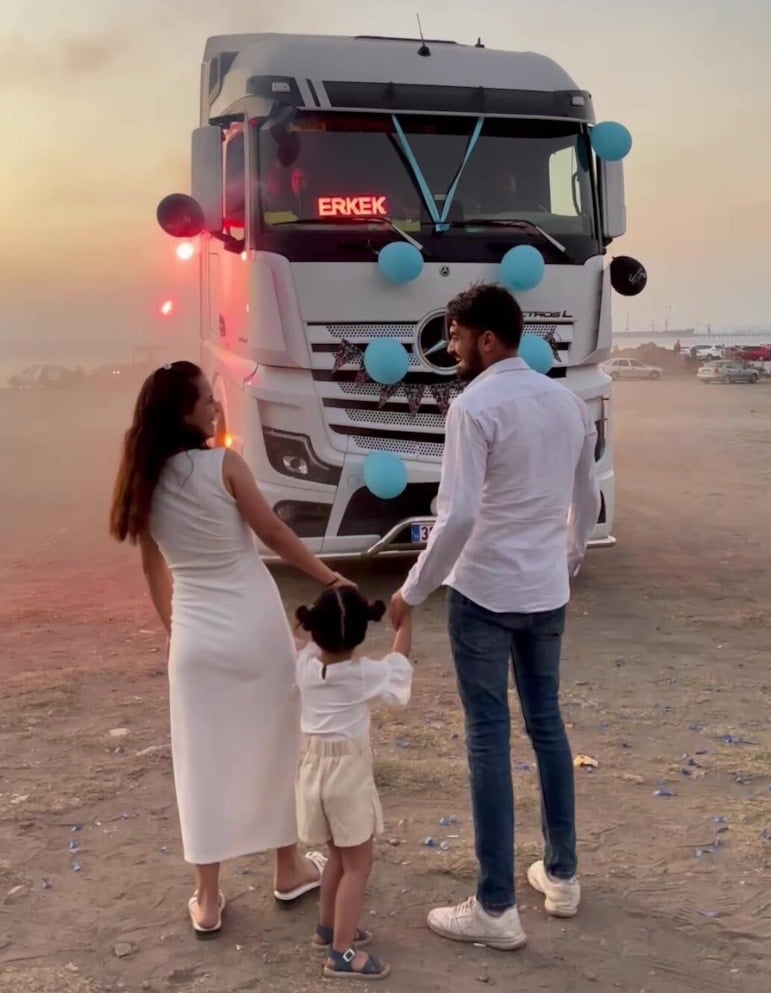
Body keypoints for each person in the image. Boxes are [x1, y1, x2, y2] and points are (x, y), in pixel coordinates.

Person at [109, 360, 355, 938]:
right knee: (277, 746)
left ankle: (208, 896)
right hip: (254, 626)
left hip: (196, 637)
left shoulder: (145, 478)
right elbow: (273, 534)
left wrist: (177, 633)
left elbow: (153, 571)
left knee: (201, 763)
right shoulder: (225, 465)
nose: (216, 406)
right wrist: (330, 578)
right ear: (183, 413)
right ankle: (288, 868)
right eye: (206, 400)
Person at [388, 283, 600, 950]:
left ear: (486, 338)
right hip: (545, 590)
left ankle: (496, 906)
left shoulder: (473, 407)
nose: (450, 350)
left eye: (454, 338)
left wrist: (412, 590)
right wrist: (566, 562)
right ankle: (561, 875)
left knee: (488, 737)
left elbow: (459, 516)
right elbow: (587, 499)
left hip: (483, 592)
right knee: (546, 725)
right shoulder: (567, 403)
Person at [293, 588, 413, 980]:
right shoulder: (362, 674)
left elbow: (299, 639)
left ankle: (327, 928)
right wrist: (405, 622)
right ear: (361, 633)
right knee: (358, 866)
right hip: (346, 777)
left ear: (314, 629)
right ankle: (342, 953)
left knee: (338, 858)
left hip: (312, 772)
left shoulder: (305, 666)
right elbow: (399, 667)